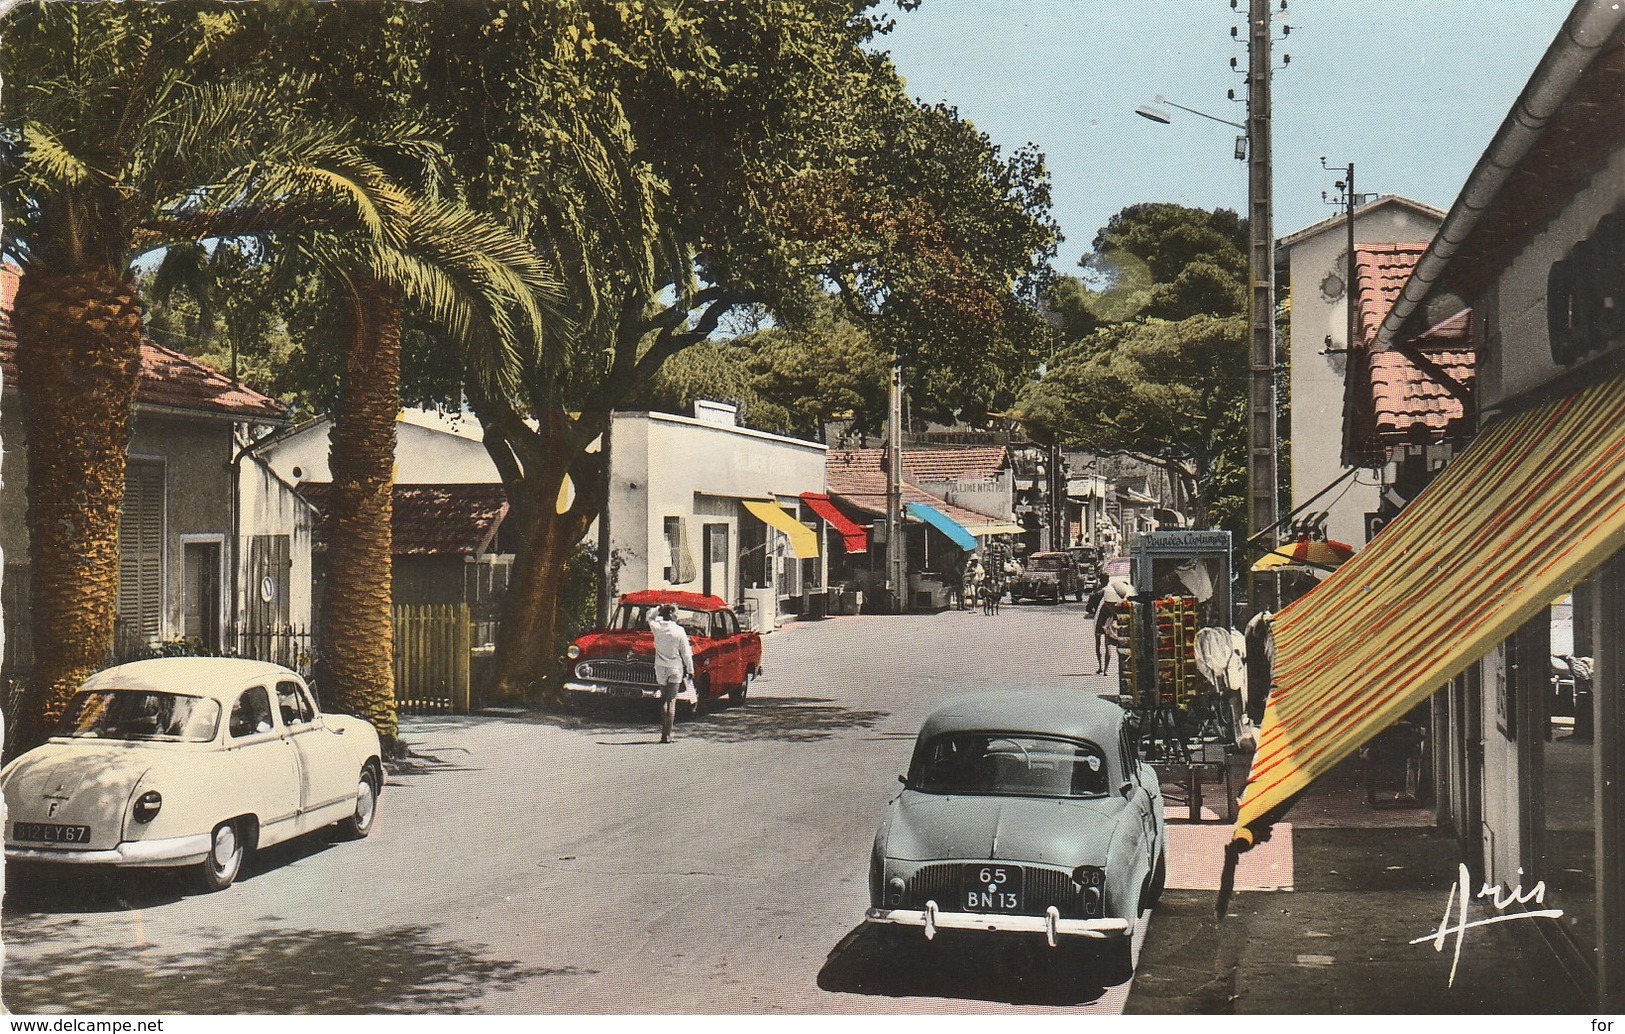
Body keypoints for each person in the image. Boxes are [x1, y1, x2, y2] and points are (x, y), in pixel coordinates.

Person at [648, 603, 694, 744]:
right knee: (672, 700)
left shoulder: (657, 627)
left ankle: (663, 732)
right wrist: (690, 669)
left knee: (663, 698)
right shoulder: (679, 631)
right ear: (672, 613)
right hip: (675, 667)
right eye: (677, 612)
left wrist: (658, 608)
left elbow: (649, 617)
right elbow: (686, 652)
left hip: (660, 666)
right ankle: (668, 734)